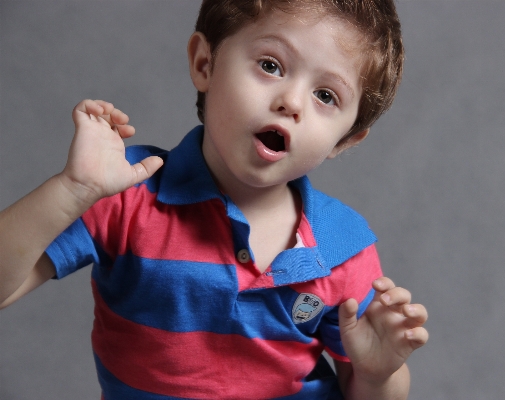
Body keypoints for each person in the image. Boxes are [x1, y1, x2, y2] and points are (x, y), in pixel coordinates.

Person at [0, 0, 428, 398]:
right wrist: (72, 190)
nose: (292, 102)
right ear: (205, 63)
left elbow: (367, 388)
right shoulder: (126, 191)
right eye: (270, 65)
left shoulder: (343, 246)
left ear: (346, 139)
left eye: (326, 96)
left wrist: (376, 374)